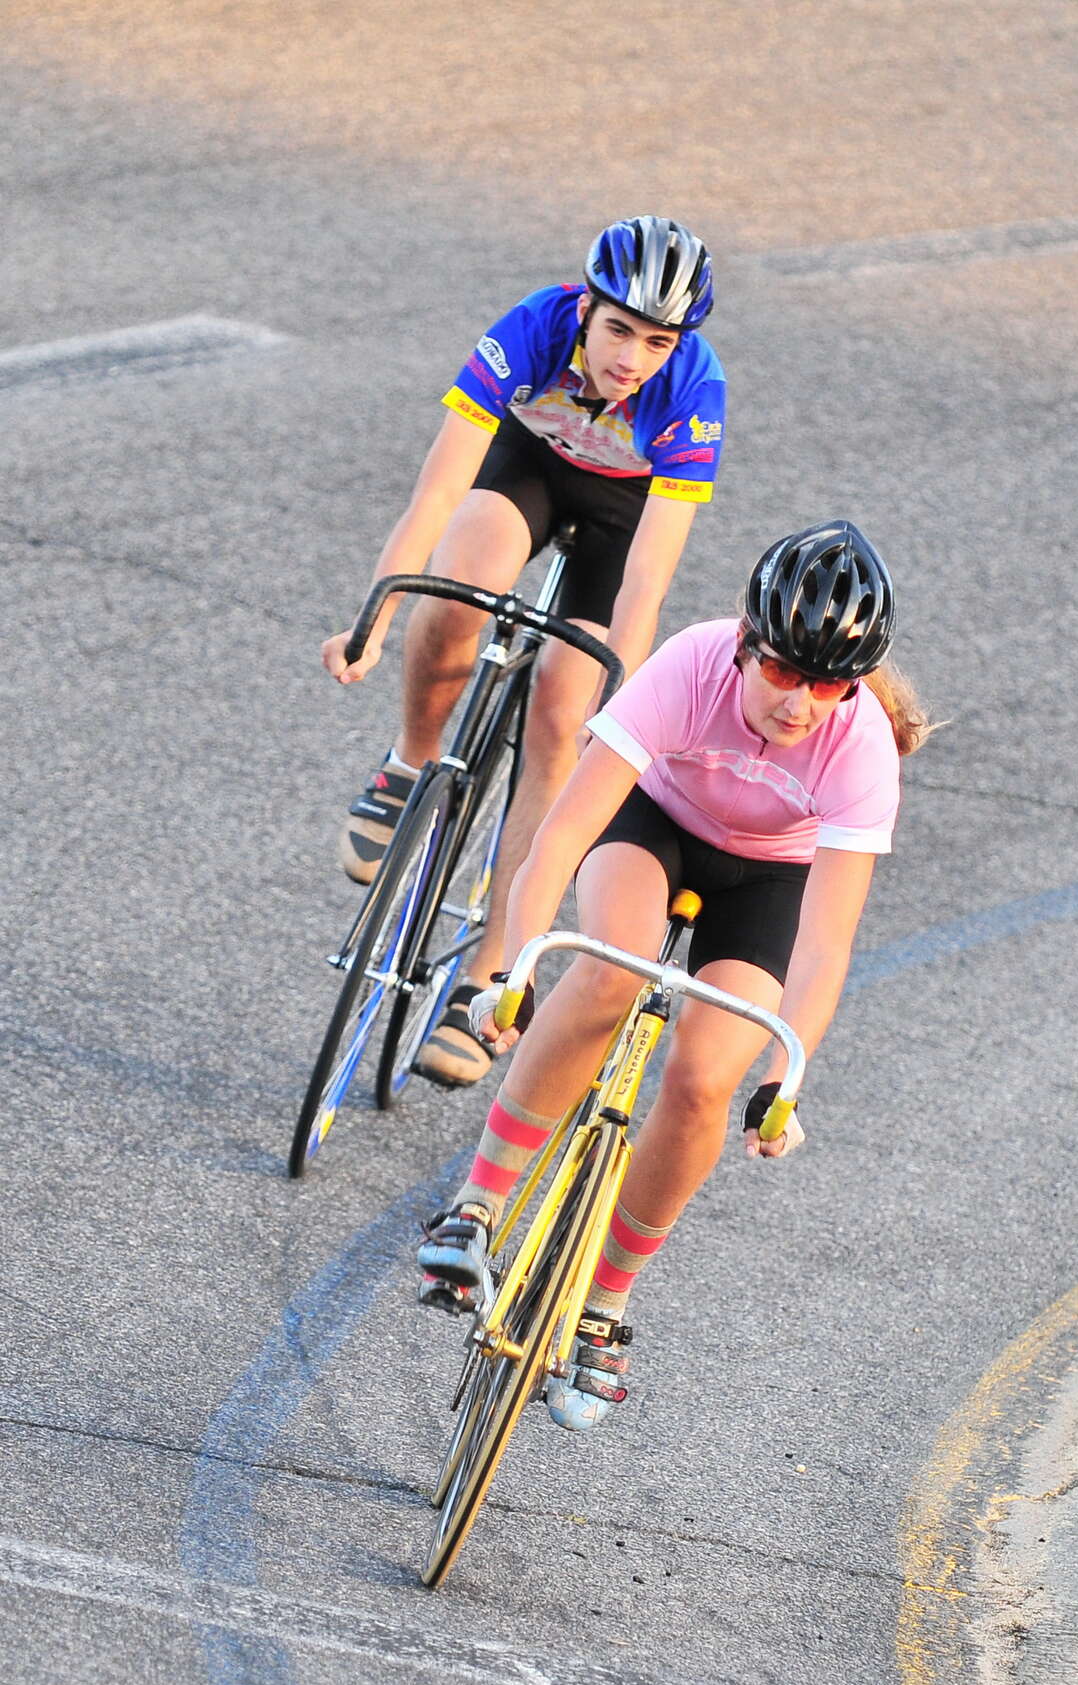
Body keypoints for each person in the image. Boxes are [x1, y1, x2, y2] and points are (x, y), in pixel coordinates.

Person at [416, 521, 932, 1431]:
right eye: (784, 671)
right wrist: (514, 967)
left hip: (767, 883)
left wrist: (785, 1078)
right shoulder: (692, 664)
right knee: (608, 973)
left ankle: (604, 1305)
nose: (801, 704)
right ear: (745, 645)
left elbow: (823, 945)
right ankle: (477, 1204)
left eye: (828, 684)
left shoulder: (861, 749)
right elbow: (561, 838)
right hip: (653, 826)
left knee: (703, 1080)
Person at [321, 215, 725, 1086]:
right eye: (618, 330)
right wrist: (374, 616)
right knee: (460, 578)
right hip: (530, 466)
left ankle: (489, 976)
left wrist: (618, 711)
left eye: (656, 342)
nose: (632, 359)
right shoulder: (533, 327)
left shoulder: (695, 390)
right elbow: (435, 494)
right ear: (585, 309)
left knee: (563, 714)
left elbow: (646, 581)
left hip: (622, 515)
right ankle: (410, 761)